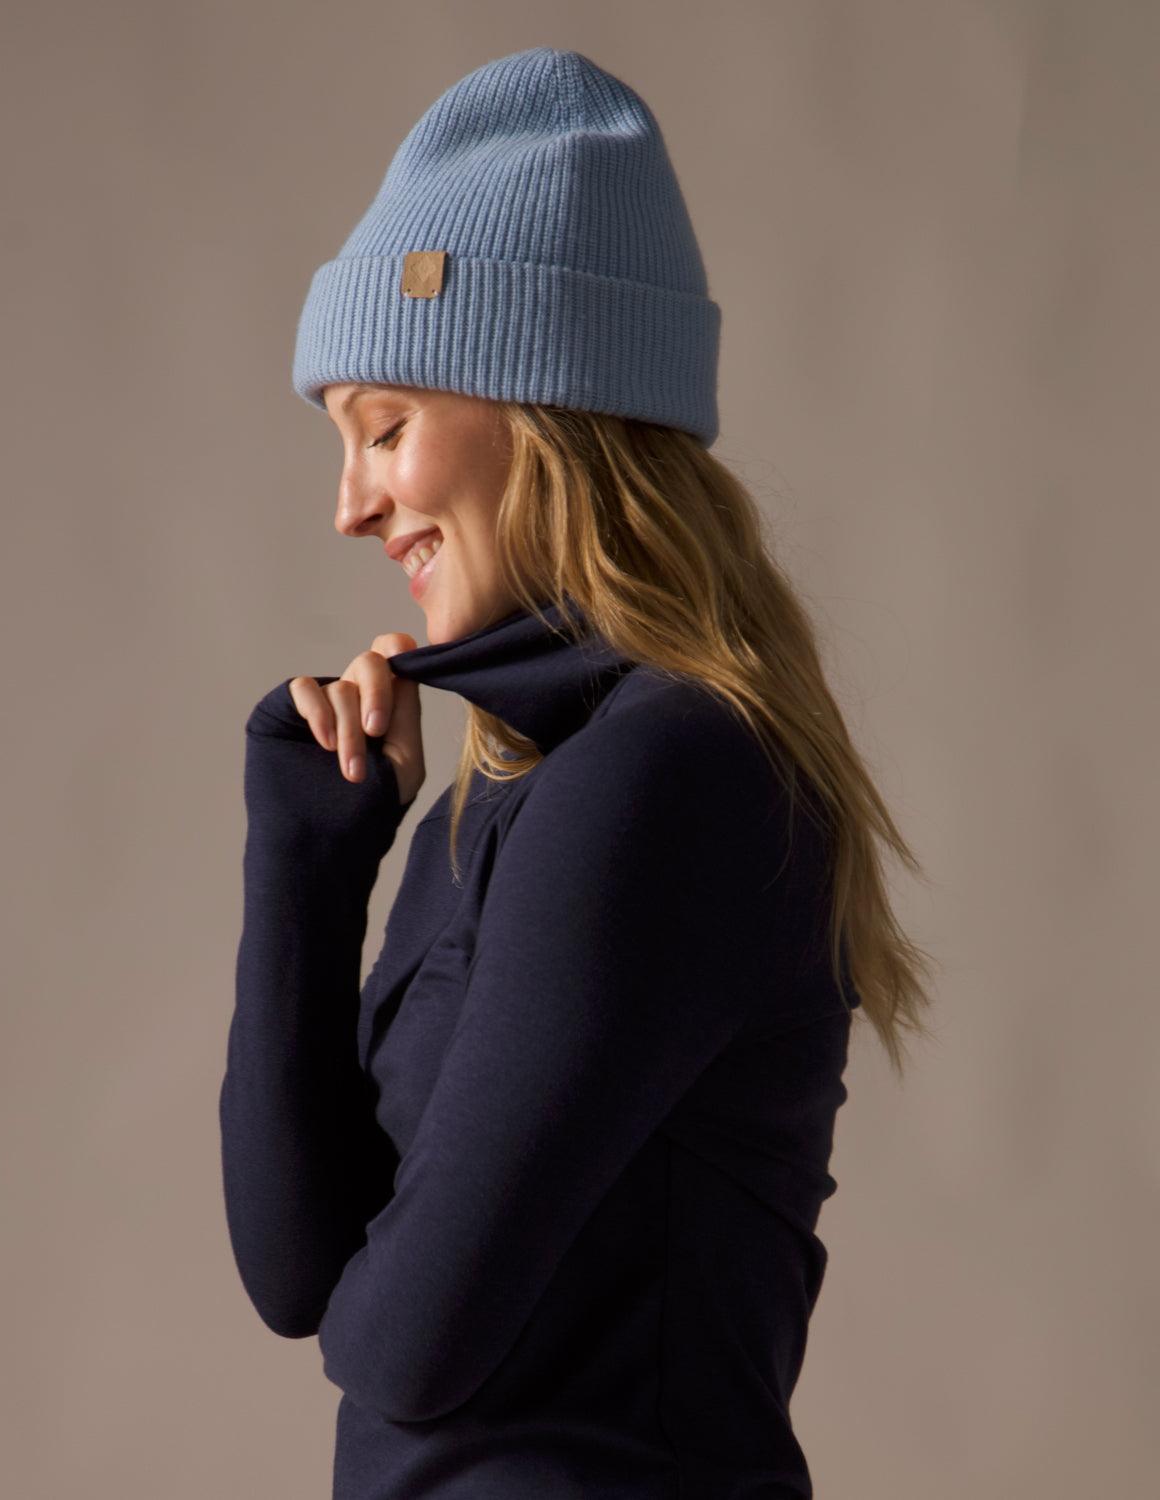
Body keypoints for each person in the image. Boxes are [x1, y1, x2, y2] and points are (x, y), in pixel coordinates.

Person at [218, 45, 937, 1500]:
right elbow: (300, 1277)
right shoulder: (507, 792)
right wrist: (307, 871)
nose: (351, 505)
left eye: (386, 429)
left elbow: (405, 1346)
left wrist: (383, 1278)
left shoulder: (674, 773)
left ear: (541, 404)